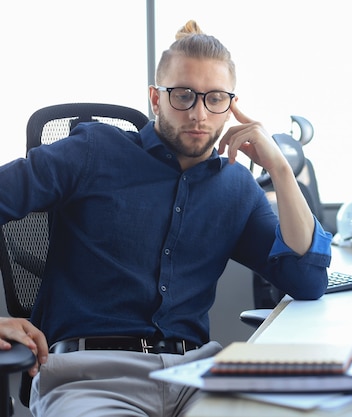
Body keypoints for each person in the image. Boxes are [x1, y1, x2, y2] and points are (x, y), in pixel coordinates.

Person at [0, 20, 331, 416]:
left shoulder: (236, 187)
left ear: (230, 106)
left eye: (215, 99)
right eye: (184, 96)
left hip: (199, 378)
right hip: (92, 381)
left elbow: (307, 280)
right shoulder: (94, 150)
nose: (198, 113)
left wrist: (279, 168)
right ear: (156, 99)